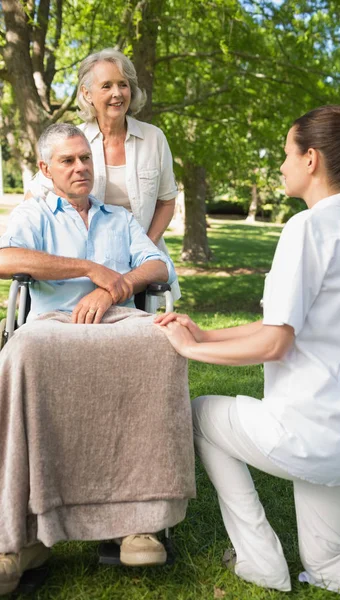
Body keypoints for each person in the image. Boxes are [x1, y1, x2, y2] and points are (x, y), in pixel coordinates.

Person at [155, 105, 340, 600]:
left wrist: (187, 350)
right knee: (330, 559)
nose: (281, 165)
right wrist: (205, 334)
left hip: (308, 428)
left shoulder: (306, 229)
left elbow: (275, 342)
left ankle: (260, 559)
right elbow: (282, 326)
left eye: (287, 154)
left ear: (310, 159)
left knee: (202, 414)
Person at [0, 123, 195, 595]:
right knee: (24, 349)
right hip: (55, 324)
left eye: (84, 158)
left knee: (163, 342)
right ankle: (19, 535)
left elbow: (158, 266)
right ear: (47, 169)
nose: (80, 167)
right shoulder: (36, 214)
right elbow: (4, 258)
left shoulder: (118, 218)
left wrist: (116, 289)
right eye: (67, 161)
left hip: (117, 320)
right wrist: (89, 269)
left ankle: (140, 521)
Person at [28, 47, 180, 302]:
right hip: (81, 263)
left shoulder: (153, 138)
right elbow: (35, 196)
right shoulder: (73, 139)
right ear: (87, 94)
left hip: (136, 260)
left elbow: (166, 201)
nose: (117, 93)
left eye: (123, 84)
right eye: (106, 86)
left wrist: (145, 247)